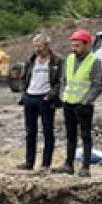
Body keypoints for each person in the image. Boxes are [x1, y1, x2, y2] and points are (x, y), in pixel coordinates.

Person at [53, 28, 102, 178]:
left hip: (84, 105)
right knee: (70, 135)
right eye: (73, 45)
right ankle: (69, 164)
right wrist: (62, 96)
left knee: (85, 135)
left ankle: (85, 167)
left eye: (77, 45)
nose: (74, 48)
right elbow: (64, 80)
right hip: (68, 102)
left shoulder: (94, 61)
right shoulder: (68, 59)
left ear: (86, 45)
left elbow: (98, 84)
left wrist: (87, 101)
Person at [16, 33, 62, 171]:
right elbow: (23, 78)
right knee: (30, 132)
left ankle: (45, 164)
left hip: (45, 99)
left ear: (47, 45)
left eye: (39, 46)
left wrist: (50, 96)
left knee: (47, 131)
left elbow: (60, 81)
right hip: (30, 97)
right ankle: (29, 162)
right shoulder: (31, 60)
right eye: (35, 46)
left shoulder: (56, 61)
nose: (37, 49)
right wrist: (24, 94)